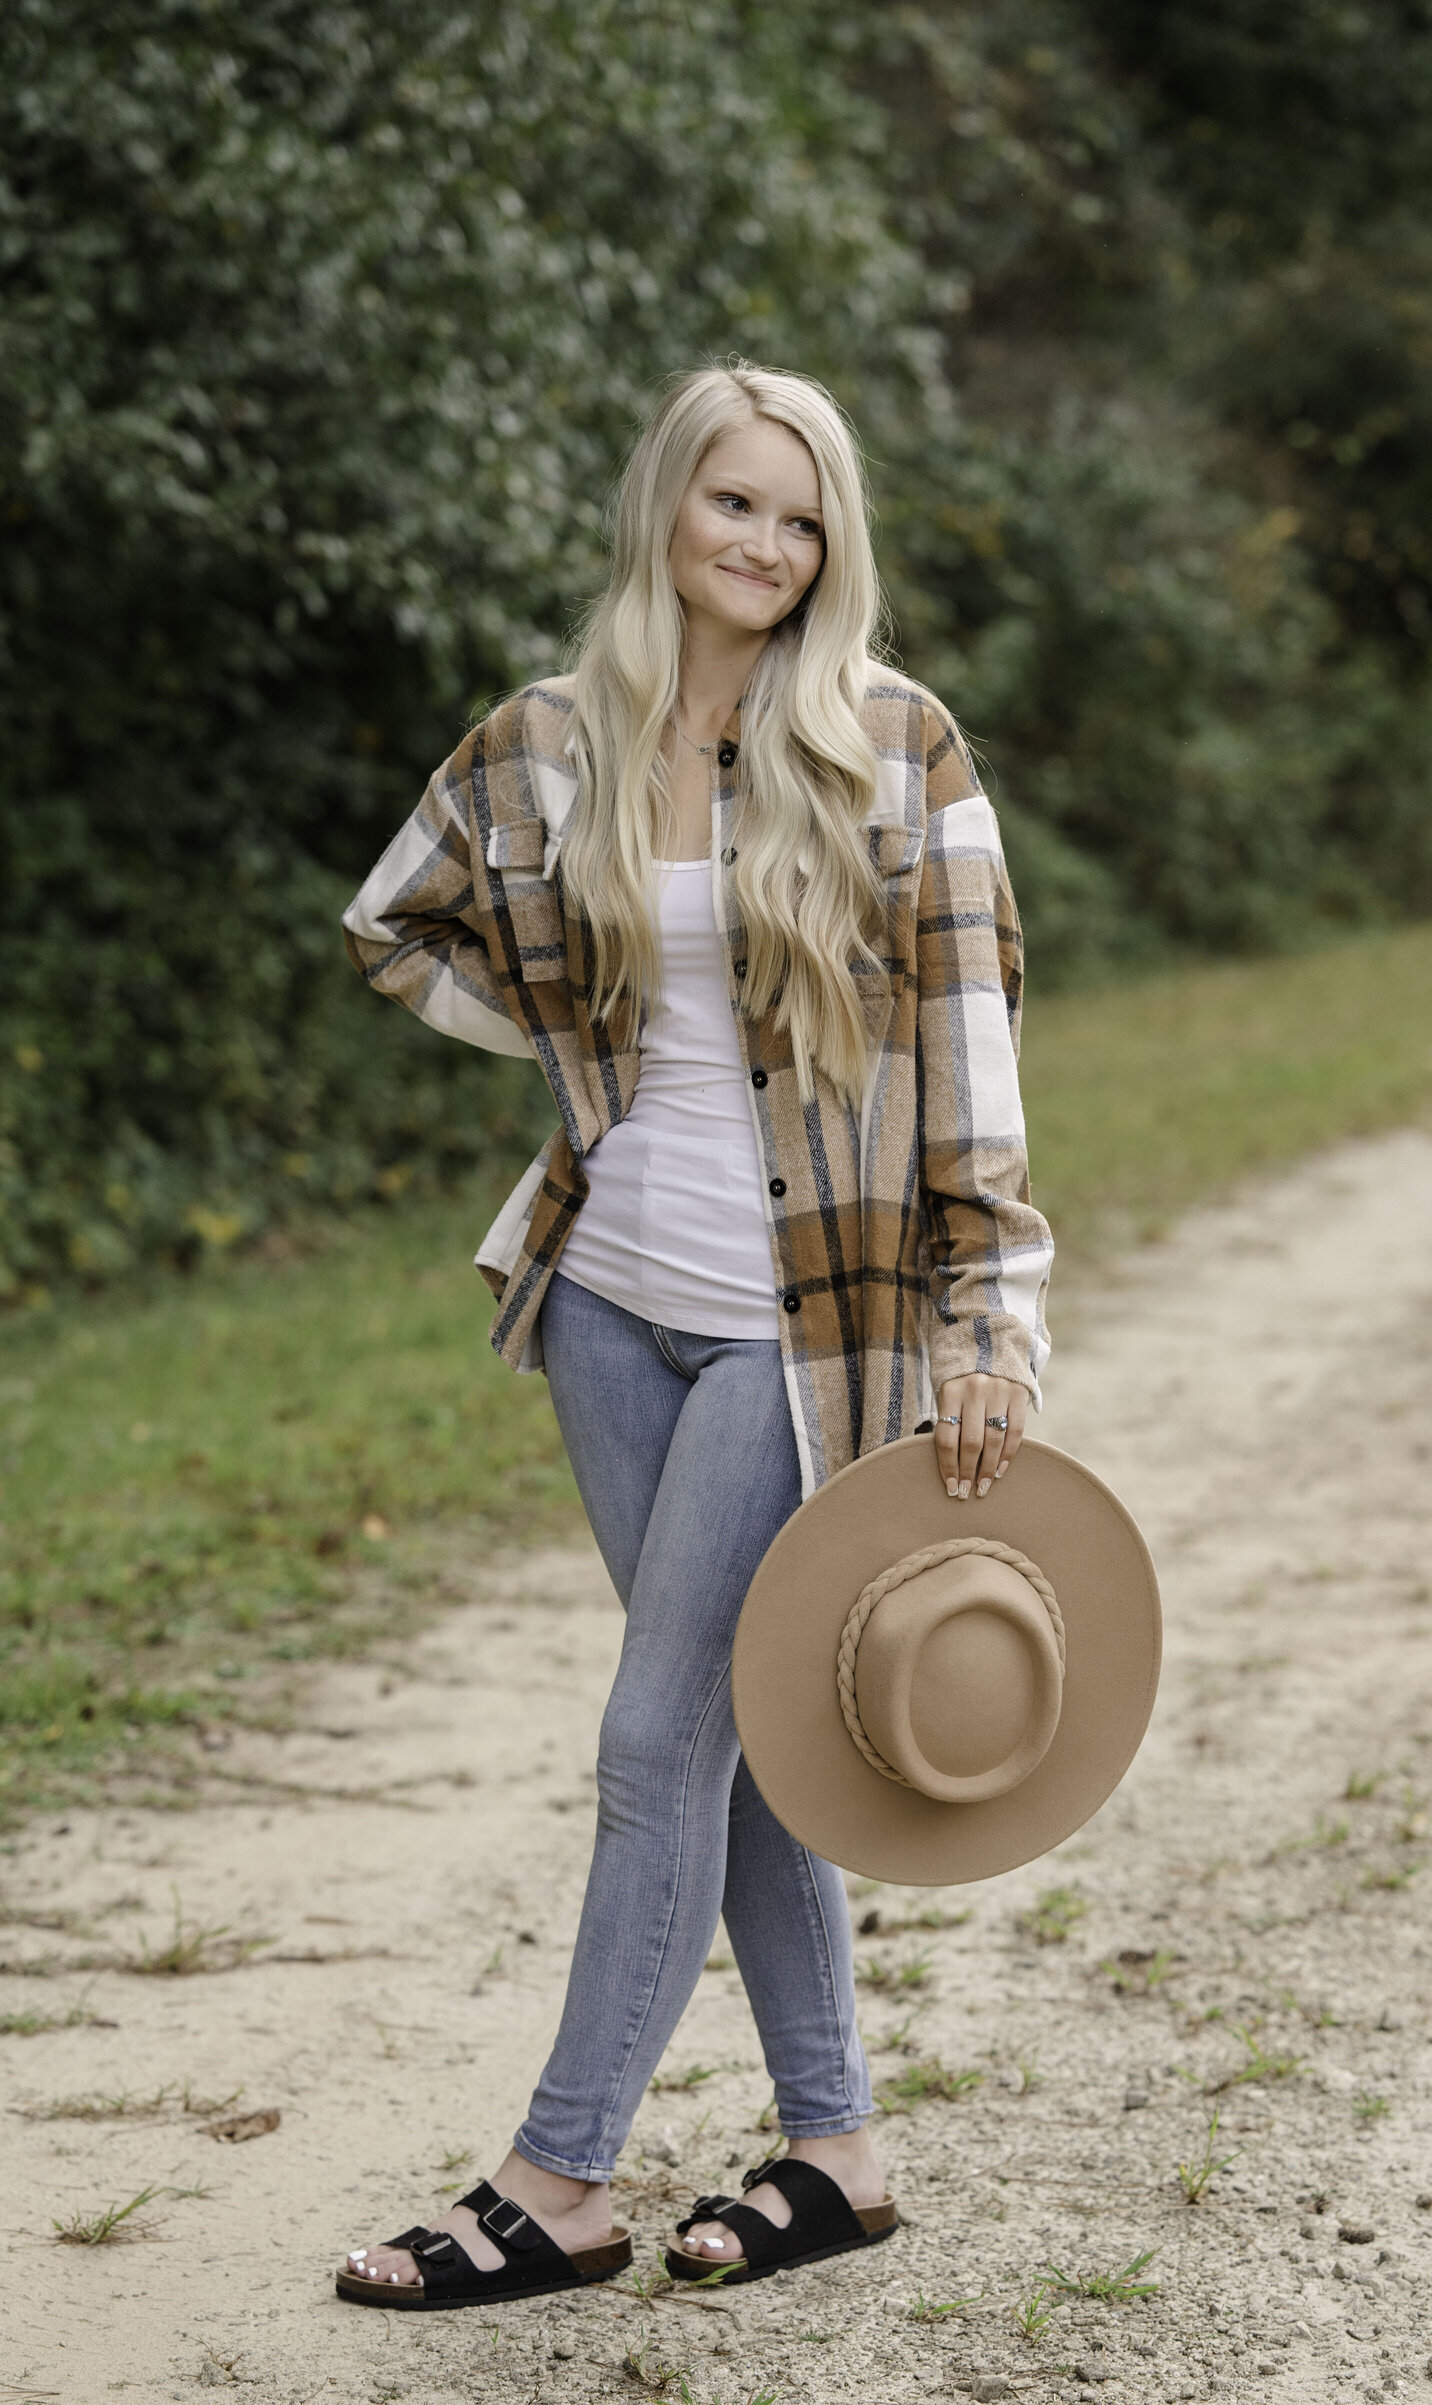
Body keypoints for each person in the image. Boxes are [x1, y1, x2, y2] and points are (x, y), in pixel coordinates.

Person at [336, 361, 1052, 2306]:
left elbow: (965, 1040)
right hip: (603, 1307)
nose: (763, 543)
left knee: (659, 1737)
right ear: (668, 507)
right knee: (736, 1730)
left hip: (791, 1330)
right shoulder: (550, 742)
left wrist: (989, 1302)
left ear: (833, 547)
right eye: (732, 502)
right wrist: (574, 1057)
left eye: (799, 516)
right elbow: (397, 921)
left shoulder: (897, 746)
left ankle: (558, 2176)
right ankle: (836, 2146)